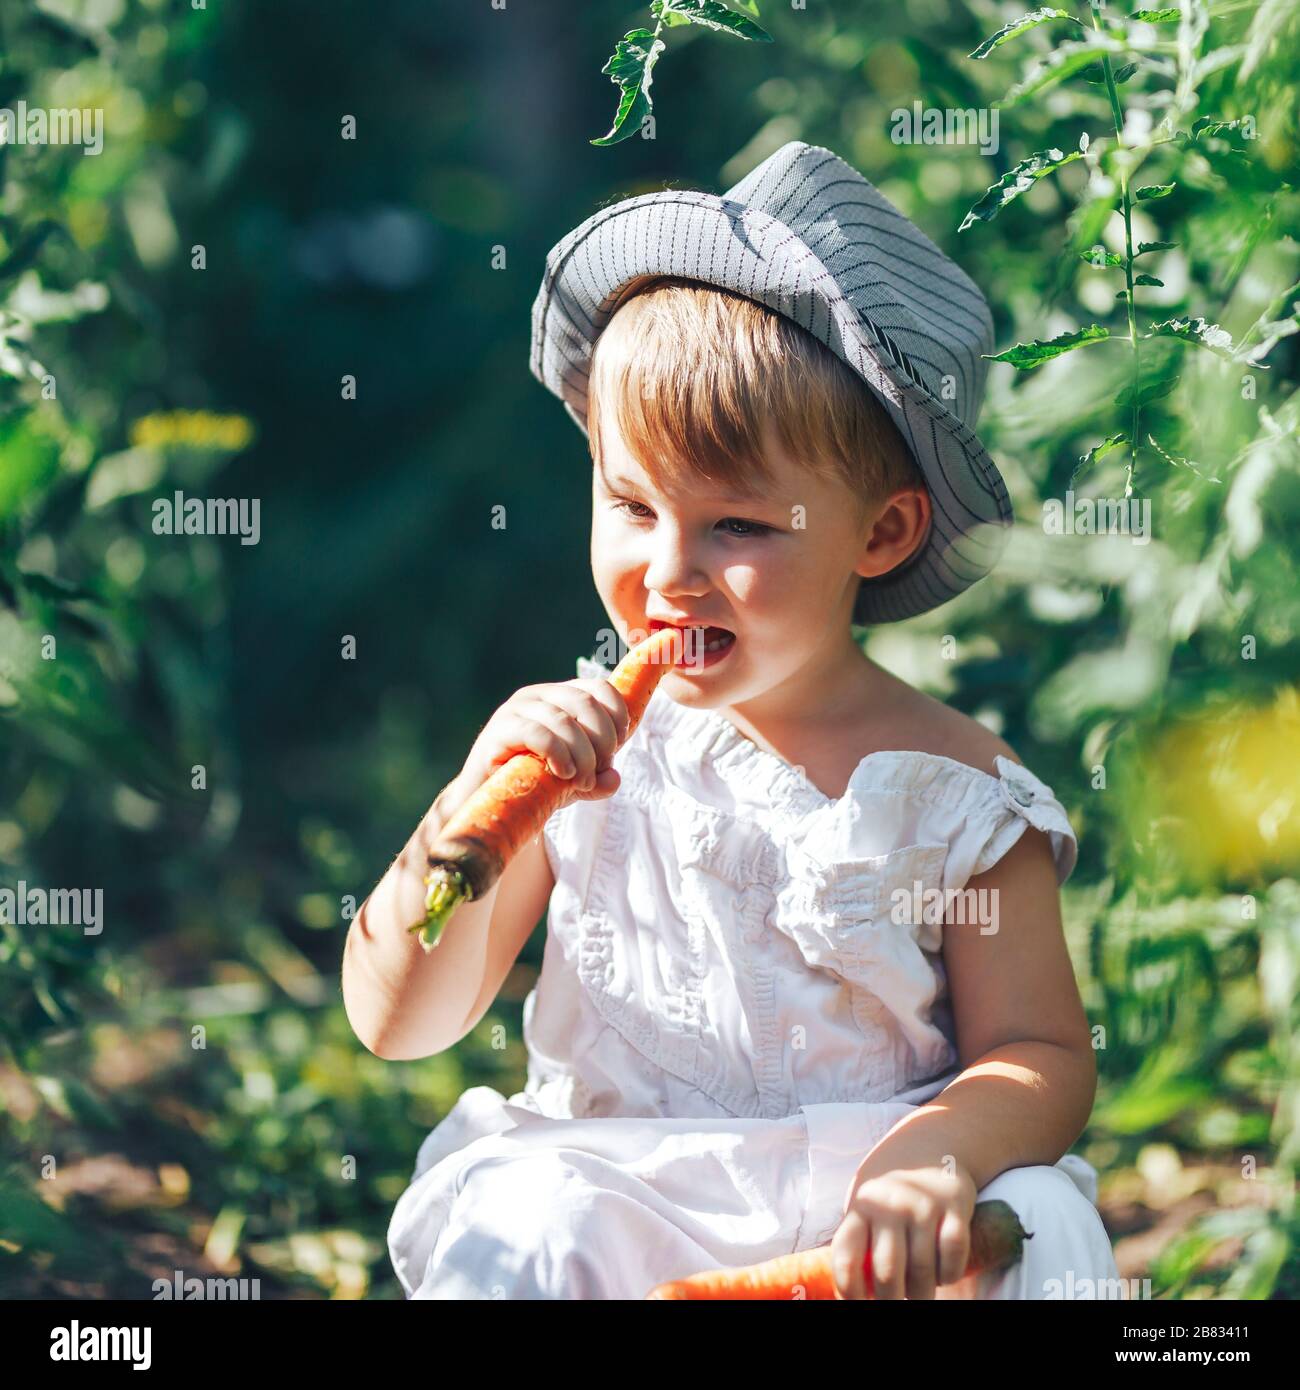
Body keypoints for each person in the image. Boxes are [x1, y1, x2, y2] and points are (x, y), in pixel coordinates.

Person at [344, 142, 1123, 1300]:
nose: (669, 572)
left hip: (864, 1215)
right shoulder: (575, 760)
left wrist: (937, 1155)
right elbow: (401, 1021)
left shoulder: (961, 792)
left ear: (881, 535)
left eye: (739, 528)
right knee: (528, 1211)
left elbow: (1042, 1053)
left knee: (1038, 1217)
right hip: (628, 1190)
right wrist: (472, 808)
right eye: (631, 504)